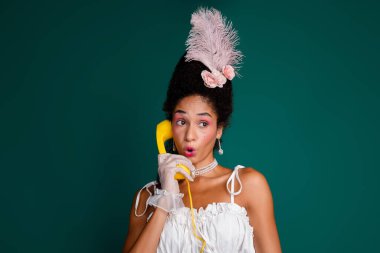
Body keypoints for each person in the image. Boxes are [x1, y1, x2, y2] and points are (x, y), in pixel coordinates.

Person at [123, 7, 282, 253]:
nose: (190, 135)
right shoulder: (146, 199)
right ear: (168, 126)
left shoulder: (248, 186)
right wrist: (165, 200)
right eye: (181, 121)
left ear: (219, 129)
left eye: (203, 123)